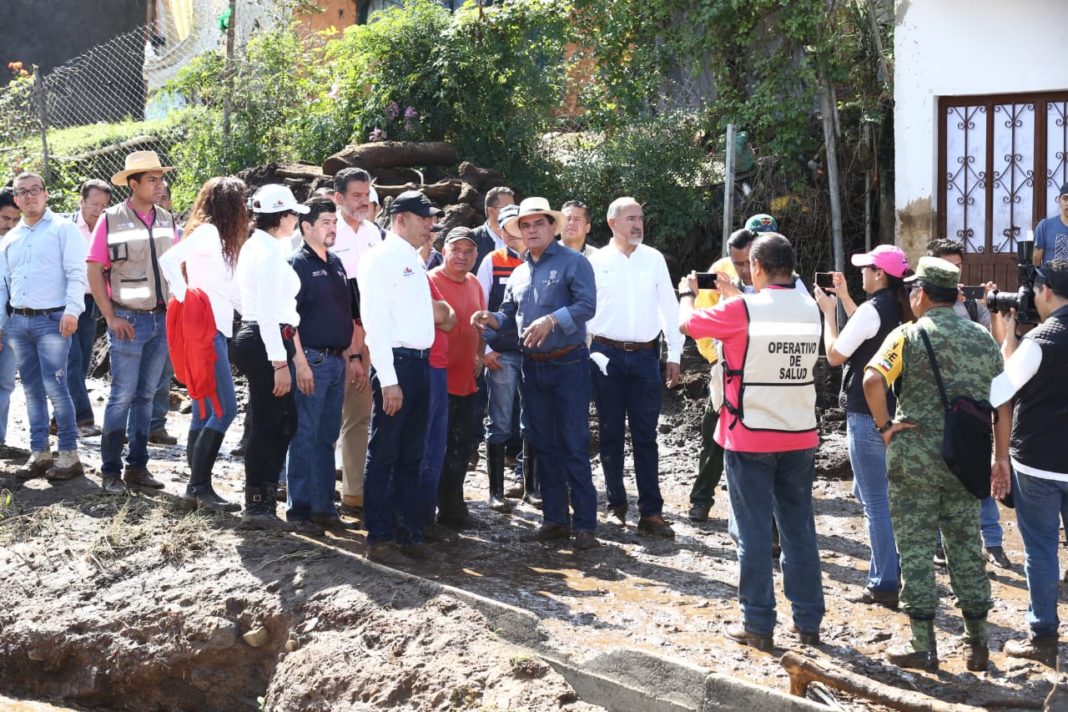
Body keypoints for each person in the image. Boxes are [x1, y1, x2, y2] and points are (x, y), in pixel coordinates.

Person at [679, 232, 824, 651]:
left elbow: (690, 324)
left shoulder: (742, 308)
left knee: (753, 534)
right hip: (799, 434)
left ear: (756, 267)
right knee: (799, 531)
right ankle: (808, 622)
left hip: (750, 436)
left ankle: (758, 624)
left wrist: (688, 294)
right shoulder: (810, 308)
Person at [863, 256, 1006, 673]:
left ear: (921, 293)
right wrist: (999, 458)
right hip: (966, 459)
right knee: (966, 545)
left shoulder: (906, 335)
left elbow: (872, 380)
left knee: (917, 550)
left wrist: (886, 426)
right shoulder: (983, 338)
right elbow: (1001, 402)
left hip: (915, 460)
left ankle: (922, 645)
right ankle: (977, 644)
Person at [472, 197, 599, 550]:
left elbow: (587, 305)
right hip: (533, 367)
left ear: (552, 227)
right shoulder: (519, 271)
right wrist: (489, 319)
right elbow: (507, 312)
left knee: (573, 442)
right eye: (524, 226)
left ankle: (586, 524)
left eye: (537, 224)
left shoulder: (575, 262)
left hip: (569, 362)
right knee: (543, 443)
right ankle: (555, 519)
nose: (531, 231)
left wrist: (552, 319)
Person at [814, 245, 913, 609]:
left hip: (866, 413)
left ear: (880, 275)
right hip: (897, 410)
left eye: (866, 268)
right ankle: (894, 567)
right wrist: (844, 298)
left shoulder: (873, 311)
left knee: (875, 501)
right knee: (874, 493)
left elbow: (836, 354)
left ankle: (885, 580)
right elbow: (870, 334)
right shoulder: (904, 307)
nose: (861, 272)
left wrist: (828, 314)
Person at [990, 259, 1068, 667]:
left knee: (1040, 549)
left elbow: (1000, 390)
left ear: (1047, 292)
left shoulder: (1040, 341)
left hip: (1037, 464)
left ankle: (1042, 637)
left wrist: (1007, 342)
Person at [587, 197, 681, 537]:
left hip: (645, 356)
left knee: (646, 436)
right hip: (605, 355)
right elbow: (585, 310)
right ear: (613, 223)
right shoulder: (596, 261)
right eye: (630, 218)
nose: (637, 224)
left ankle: (651, 513)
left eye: (640, 217)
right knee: (610, 433)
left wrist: (675, 355)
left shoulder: (653, 259)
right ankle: (616, 505)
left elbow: (669, 309)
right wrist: (587, 355)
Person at [358, 190, 439, 565]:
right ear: (401, 219)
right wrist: (388, 379)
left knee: (412, 454)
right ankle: (379, 536)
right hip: (397, 364)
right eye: (424, 218)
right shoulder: (380, 259)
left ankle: (408, 531)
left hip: (420, 364)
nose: (431, 224)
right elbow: (375, 321)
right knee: (386, 452)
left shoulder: (412, 259)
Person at [87, 152, 176, 494]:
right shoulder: (110, 219)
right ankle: (110, 471)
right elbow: (94, 268)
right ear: (133, 183)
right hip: (127, 319)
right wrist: (110, 317)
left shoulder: (168, 219)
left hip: (161, 320)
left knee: (146, 395)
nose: (160, 184)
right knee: (121, 396)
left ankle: (137, 467)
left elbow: (175, 270)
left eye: (160, 178)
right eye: (152, 179)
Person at [158, 176, 247, 512]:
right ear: (230, 204)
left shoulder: (222, 240)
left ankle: (196, 489)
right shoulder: (209, 232)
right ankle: (198, 488)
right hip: (204, 330)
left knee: (204, 408)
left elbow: (234, 291)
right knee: (225, 410)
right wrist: (187, 299)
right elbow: (169, 261)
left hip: (217, 330)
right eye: (241, 201)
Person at [924, 238, 1009, 568]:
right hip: (935, 406)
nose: (955, 274)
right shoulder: (921, 304)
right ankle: (937, 543)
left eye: (957, 267)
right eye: (947, 267)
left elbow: (997, 341)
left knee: (978, 474)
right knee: (933, 477)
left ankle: (993, 541)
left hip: (972, 406)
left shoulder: (973, 307)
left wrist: (992, 308)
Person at [0, 173, 87, 480]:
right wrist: (2, 324)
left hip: (54, 319)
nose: (29, 196)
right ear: (16, 199)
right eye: (22, 192)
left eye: (34, 190)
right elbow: (4, 285)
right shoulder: (12, 237)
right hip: (18, 321)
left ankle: (69, 455)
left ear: (46, 194)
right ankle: (40, 453)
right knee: (32, 390)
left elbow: (77, 273)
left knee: (56, 386)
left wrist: (73, 310)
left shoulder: (64, 229)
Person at [286, 197, 362, 533]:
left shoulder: (338, 264)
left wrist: (353, 357)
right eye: (326, 223)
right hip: (312, 360)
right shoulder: (296, 265)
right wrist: (300, 362)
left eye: (334, 222)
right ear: (306, 227)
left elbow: (348, 314)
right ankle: (299, 510)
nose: (332, 228)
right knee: (305, 434)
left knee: (327, 435)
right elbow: (288, 322)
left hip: (337, 360)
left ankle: (322, 507)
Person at [231, 184, 306, 527]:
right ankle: (257, 503)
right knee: (269, 423)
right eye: (294, 215)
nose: (296, 222)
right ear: (283, 216)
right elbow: (265, 311)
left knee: (281, 421)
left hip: (266, 336)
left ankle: (263, 494)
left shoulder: (259, 246)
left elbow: (242, 299)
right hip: (268, 338)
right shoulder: (269, 252)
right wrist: (279, 362)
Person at [475, 204, 536, 504]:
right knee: (499, 420)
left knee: (532, 420)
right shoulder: (492, 260)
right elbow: (480, 305)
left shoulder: (541, 261)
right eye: (506, 227)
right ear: (500, 230)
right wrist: (485, 349)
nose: (513, 233)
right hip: (502, 353)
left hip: (535, 353)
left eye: (518, 226)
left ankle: (529, 485)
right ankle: (495, 492)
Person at [430, 228, 490, 523]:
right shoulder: (430, 281)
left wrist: (480, 353)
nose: (462, 257)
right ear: (443, 250)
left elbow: (481, 323)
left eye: (469, 252)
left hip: (467, 381)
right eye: (457, 250)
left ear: (476, 256)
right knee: (433, 449)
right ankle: (427, 510)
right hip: (437, 379)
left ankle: (453, 508)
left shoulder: (476, 283)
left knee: (461, 446)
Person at [330, 168, 381, 515]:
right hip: (333, 336)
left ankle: (354, 493)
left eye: (367, 196)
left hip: (369, 333)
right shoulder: (325, 231)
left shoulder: (374, 232)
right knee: (322, 417)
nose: (363, 202)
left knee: (360, 414)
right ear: (338, 198)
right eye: (356, 196)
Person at [67, 178, 111, 433]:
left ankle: (59, 418)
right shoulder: (67, 227)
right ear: (81, 201)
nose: (98, 210)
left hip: (92, 301)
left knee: (82, 360)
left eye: (104, 205)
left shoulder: (107, 228)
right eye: (94, 203)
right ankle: (83, 418)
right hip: (65, 302)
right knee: (71, 358)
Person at [418, 278, 457, 538]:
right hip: (420, 365)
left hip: (439, 368)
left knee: (434, 448)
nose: (429, 238)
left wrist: (439, 313)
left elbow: (450, 317)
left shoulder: (422, 274)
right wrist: (438, 313)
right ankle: (410, 520)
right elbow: (437, 313)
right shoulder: (397, 265)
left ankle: (424, 518)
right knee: (418, 447)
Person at [0, 188, 26, 460]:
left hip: (12, 324)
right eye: (5, 218)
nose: (9, 225)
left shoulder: (17, 242)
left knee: (6, 383)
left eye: (14, 220)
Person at [471, 186, 516, 274]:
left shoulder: (519, 238)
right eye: (507, 208)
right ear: (491, 211)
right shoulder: (473, 239)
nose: (512, 212)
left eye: (513, 208)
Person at [1033, 182, 1068, 265]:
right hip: (1051, 277)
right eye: (1065, 199)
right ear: (1059, 200)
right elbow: (1036, 260)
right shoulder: (1045, 226)